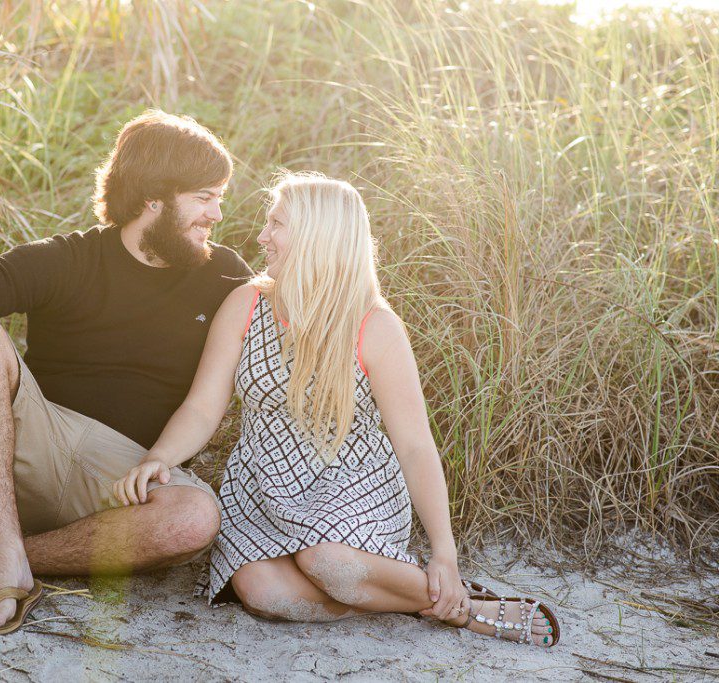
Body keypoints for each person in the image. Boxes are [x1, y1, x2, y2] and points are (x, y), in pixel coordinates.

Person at [113, 172, 561, 646]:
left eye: (276, 224)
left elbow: (413, 445)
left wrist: (444, 553)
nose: (262, 236)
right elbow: (203, 408)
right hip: (261, 485)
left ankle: (462, 603)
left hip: (350, 481)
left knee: (326, 562)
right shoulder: (245, 304)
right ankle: (423, 601)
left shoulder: (376, 324)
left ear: (317, 235)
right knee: (264, 593)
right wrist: (159, 458)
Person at [0, 110, 253, 635]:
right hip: (32, 448)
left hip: (125, 480)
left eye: (218, 197)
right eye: (204, 197)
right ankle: (2, 546)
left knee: (195, 518)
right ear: (154, 198)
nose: (216, 214)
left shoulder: (224, 274)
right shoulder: (73, 258)